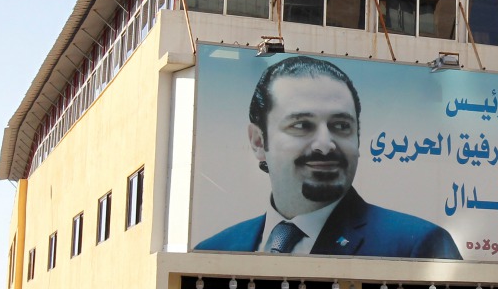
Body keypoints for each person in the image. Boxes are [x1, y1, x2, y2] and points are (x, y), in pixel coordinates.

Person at [195, 55, 461, 259]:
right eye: (301, 125)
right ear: (258, 141)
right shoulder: (214, 250)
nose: (325, 145)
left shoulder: (417, 244)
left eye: (341, 126)